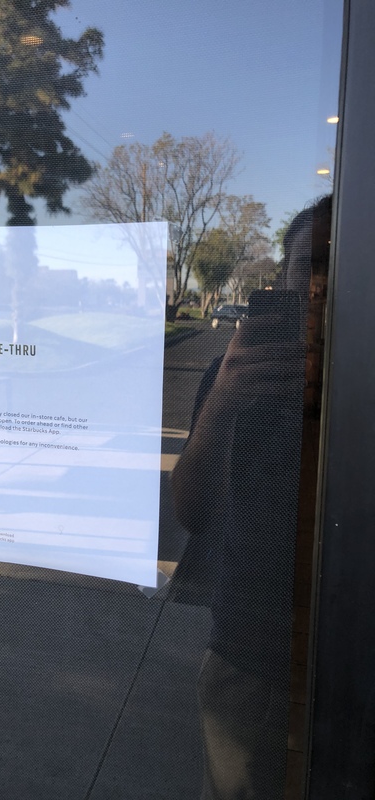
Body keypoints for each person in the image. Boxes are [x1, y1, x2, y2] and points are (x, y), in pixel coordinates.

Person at [171, 196, 332, 800]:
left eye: (333, 267)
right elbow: (190, 509)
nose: (316, 287)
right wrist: (226, 395)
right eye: (303, 268)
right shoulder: (232, 375)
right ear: (282, 282)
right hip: (250, 651)